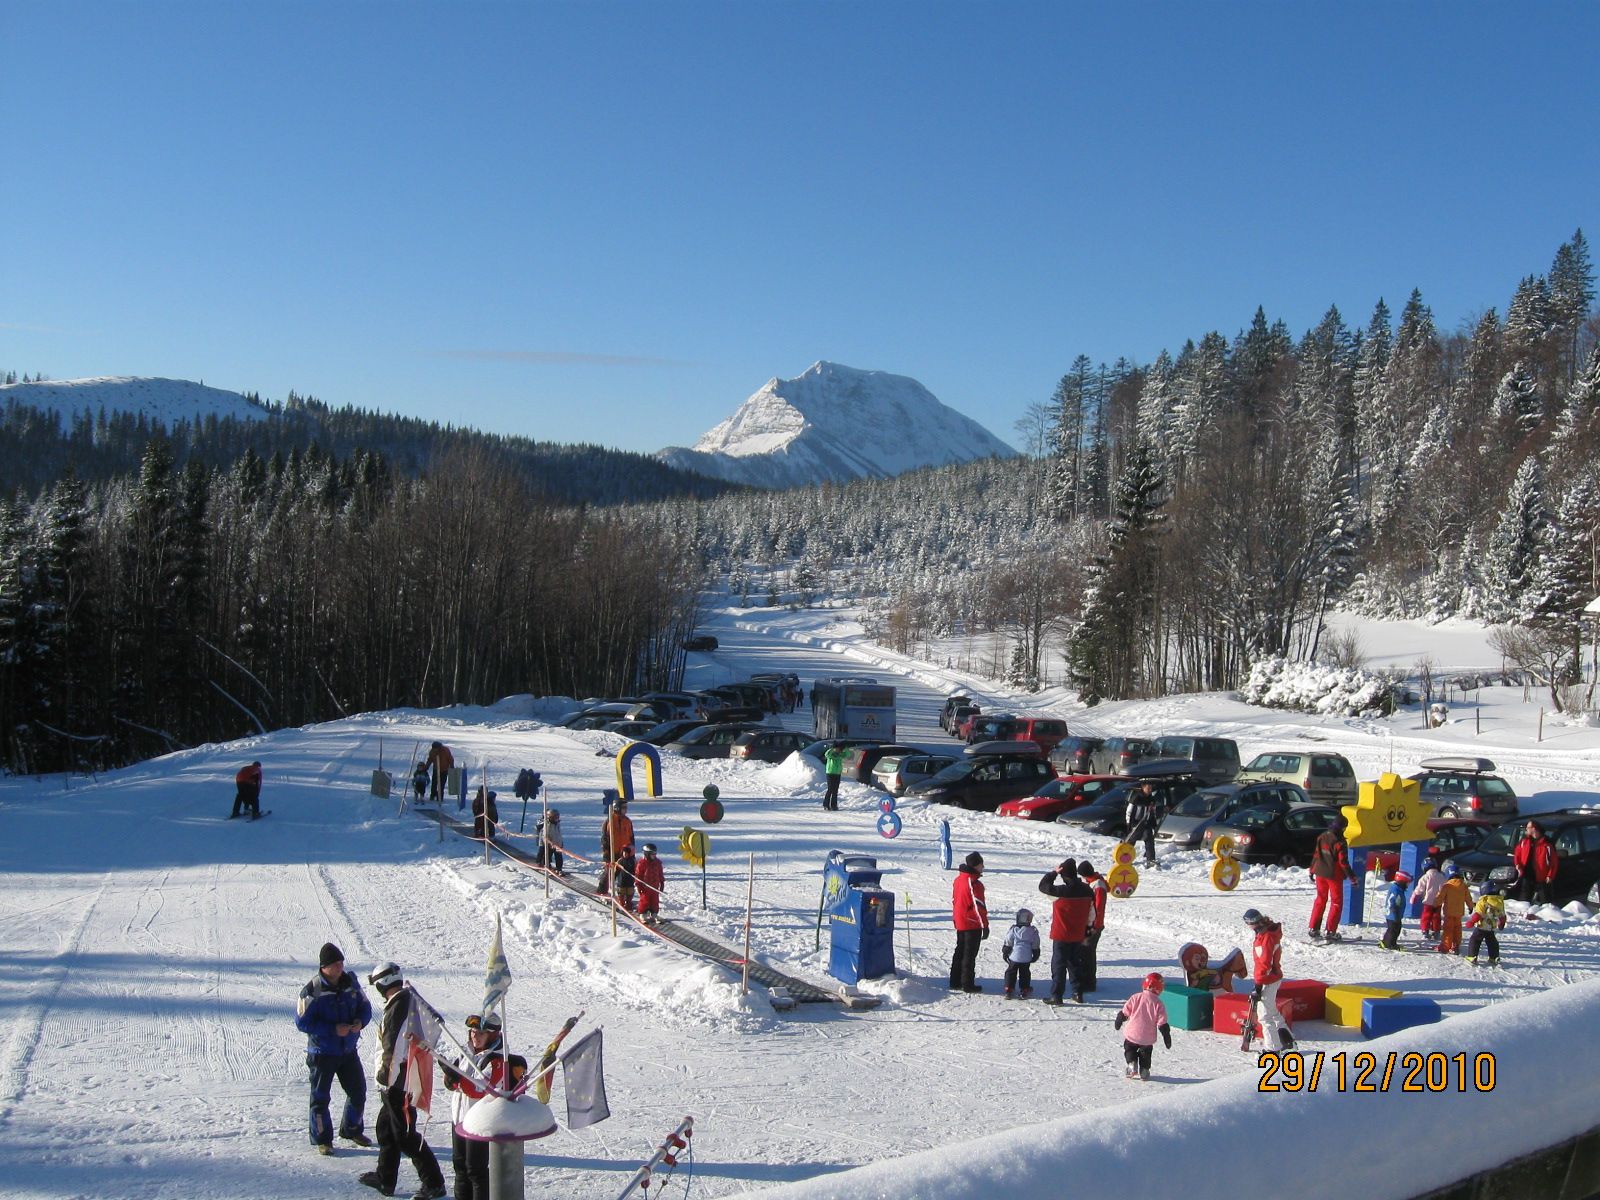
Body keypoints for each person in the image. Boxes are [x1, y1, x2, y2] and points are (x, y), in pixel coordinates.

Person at [358, 963, 447, 1200]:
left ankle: (434, 1183)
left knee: (406, 1135)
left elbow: (395, 1044)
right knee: (386, 1130)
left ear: (381, 984)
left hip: (399, 1081)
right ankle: (385, 1178)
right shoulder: (402, 1002)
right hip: (396, 1080)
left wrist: (386, 1074)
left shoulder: (400, 1005)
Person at [295, 942, 372, 1155]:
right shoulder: (312, 990)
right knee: (320, 1099)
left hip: (347, 1051)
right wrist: (332, 1030)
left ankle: (352, 1129)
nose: (340, 967)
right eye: (335, 964)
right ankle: (322, 1139)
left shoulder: (351, 983)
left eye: (341, 963)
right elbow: (302, 1023)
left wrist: (360, 1022)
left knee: (358, 1093)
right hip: (322, 1053)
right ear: (324, 967)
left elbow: (365, 1007)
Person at [442, 1013, 523, 1200]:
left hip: (479, 1121)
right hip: (460, 1117)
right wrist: (450, 1078)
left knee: (475, 1170)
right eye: (471, 1032)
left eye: (480, 1033)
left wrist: (456, 1081)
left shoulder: (498, 1059)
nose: (474, 1037)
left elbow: (480, 1089)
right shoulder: (468, 1051)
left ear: (493, 1035)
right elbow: (453, 1076)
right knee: (460, 1167)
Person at [1038, 860, 1093, 1005]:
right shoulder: (1087, 890)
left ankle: (1056, 995)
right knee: (1075, 964)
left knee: (1059, 965)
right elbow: (1092, 913)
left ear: (1063, 875)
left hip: (1061, 934)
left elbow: (1042, 886)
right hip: (1078, 934)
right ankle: (1078, 993)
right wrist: (1088, 928)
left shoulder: (1060, 892)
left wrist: (1053, 873)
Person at [1244, 908, 1294, 1051]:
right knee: (1272, 1012)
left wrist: (1258, 985)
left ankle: (1273, 1048)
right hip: (1272, 977)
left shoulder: (1265, 938)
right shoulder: (1266, 934)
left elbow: (1264, 964)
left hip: (1268, 980)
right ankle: (1288, 1042)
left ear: (1252, 923)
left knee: (1264, 1017)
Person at [1114, 972, 1173, 1081]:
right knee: (1146, 1054)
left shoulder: (1135, 997)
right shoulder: (1159, 1004)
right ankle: (1144, 1070)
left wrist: (1119, 1020)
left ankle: (1131, 1065)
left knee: (1129, 1049)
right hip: (1147, 1038)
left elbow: (1125, 1012)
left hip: (1132, 1033)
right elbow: (1162, 1023)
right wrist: (1166, 1036)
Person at [949, 851, 989, 993]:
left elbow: (955, 900)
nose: (983, 867)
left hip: (960, 921)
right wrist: (984, 925)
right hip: (971, 923)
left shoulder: (958, 879)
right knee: (969, 954)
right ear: (975, 865)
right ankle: (967, 983)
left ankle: (955, 980)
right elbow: (979, 907)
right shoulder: (974, 883)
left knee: (960, 950)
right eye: (981, 864)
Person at [1308, 815, 1352, 941]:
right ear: (1343, 827)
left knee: (1320, 899)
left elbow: (1316, 854)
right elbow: (1343, 862)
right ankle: (1330, 931)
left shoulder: (1322, 836)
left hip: (1320, 873)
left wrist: (1312, 869)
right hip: (1333, 876)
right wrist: (1352, 877)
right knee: (1336, 902)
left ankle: (1313, 928)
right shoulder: (1340, 842)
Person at [1077, 860, 1108, 992]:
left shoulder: (1098, 885)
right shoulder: (1094, 882)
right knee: (1085, 952)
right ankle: (1086, 980)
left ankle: (1089, 982)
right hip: (1091, 923)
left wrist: (1095, 925)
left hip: (1094, 925)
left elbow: (1099, 908)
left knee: (1088, 954)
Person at [1512, 820, 1559, 907]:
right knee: (1524, 901)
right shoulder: (1524, 841)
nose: (1526, 829)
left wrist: (1550, 875)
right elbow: (1517, 853)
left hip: (1542, 877)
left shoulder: (1547, 844)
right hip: (1527, 875)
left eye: (1528, 828)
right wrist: (1518, 864)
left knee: (1546, 902)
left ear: (1534, 829)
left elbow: (1554, 862)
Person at [1000, 907, 1041, 999]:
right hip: (1026, 958)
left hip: (1014, 957)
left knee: (1011, 972)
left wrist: (1005, 952)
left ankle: (1009, 988)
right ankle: (1024, 988)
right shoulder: (1033, 931)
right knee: (1025, 973)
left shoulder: (1014, 930)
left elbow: (1008, 941)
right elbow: (1036, 943)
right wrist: (1036, 954)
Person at [598, 797, 634, 895]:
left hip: (625, 853)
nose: (625, 810)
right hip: (612, 852)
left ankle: (623, 895)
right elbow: (604, 838)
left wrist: (631, 851)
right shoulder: (609, 821)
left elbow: (631, 837)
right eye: (623, 807)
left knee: (624, 874)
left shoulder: (628, 821)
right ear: (617, 808)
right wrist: (606, 852)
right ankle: (602, 890)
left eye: (626, 807)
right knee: (609, 873)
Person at [1465, 882, 1507, 965]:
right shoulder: (1499, 901)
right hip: (1491, 927)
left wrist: (1471, 922)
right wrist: (1501, 924)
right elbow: (1502, 915)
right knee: (1492, 942)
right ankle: (1494, 957)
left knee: (1475, 940)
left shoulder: (1483, 901)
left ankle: (1472, 956)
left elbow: (1478, 914)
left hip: (1482, 926)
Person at [1438, 860, 1471, 955]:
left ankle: (1446, 946)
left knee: (1448, 929)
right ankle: (1456, 945)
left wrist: (1436, 903)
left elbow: (1440, 897)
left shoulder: (1447, 886)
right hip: (1459, 913)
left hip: (1449, 913)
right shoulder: (1464, 886)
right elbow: (1468, 898)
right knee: (1457, 929)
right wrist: (1470, 906)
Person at [1410, 858, 1447, 944]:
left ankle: (1425, 931)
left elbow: (1420, 888)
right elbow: (1444, 888)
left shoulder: (1425, 877)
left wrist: (1414, 896)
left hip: (1428, 902)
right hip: (1438, 902)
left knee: (1426, 916)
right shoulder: (1441, 876)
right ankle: (1436, 931)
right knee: (1436, 917)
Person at [1124, 781, 1160, 867]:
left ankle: (1151, 860)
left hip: (1146, 823)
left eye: (1151, 788)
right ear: (1143, 788)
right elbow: (1129, 811)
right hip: (1136, 823)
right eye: (1148, 788)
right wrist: (1129, 824)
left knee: (1149, 841)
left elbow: (1153, 812)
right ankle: (1124, 859)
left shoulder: (1152, 800)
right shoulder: (1136, 797)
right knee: (1130, 842)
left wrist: (1153, 823)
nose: (1150, 790)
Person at [1380, 870, 1412, 950]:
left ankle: (1385, 942)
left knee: (1392, 929)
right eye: (1407, 883)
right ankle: (1390, 944)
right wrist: (1396, 914)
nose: (1408, 885)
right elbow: (1393, 904)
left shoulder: (1397, 889)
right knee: (1394, 930)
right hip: (1393, 914)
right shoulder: (1396, 891)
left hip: (1393, 914)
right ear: (1402, 882)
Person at [635, 842, 665, 924]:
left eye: (655, 854)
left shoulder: (657, 863)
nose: (654, 856)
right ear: (647, 854)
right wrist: (638, 885)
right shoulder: (642, 863)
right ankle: (643, 914)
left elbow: (660, 873)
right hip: (645, 887)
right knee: (644, 900)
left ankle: (654, 914)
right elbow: (638, 875)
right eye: (652, 854)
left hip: (655, 886)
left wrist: (662, 883)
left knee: (655, 901)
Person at [613, 845, 638, 913]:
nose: (625, 854)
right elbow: (616, 870)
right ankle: (621, 905)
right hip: (621, 881)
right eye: (624, 853)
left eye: (626, 853)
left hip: (630, 881)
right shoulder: (620, 861)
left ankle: (628, 905)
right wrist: (614, 877)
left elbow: (635, 870)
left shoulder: (632, 861)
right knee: (621, 894)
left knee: (629, 894)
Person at [822, 744, 847, 811]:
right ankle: (826, 804)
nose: (838, 750)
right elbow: (826, 754)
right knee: (830, 789)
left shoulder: (841, 755)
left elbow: (848, 754)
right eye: (837, 748)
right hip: (830, 773)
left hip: (837, 773)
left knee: (835, 790)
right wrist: (832, 749)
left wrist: (845, 748)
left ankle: (834, 805)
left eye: (839, 749)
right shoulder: (831, 754)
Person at [540, 808, 565, 874]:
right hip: (550, 844)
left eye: (557, 817)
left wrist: (561, 842)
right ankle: (546, 866)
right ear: (550, 817)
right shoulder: (547, 824)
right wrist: (548, 842)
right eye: (555, 817)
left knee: (559, 857)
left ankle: (559, 868)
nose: (557, 818)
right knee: (548, 856)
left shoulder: (557, 824)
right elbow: (545, 834)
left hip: (558, 843)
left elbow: (558, 834)